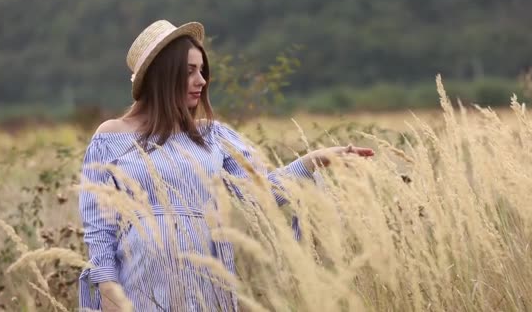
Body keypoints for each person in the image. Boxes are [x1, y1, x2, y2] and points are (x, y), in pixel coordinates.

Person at [78, 19, 374, 311]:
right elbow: (99, 227)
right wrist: (108, 290)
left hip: (205, 284)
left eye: (202, 71)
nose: (202, 81)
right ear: (163, 75)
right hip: (139, 287)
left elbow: (263, 194)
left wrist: (312, 161)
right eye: (190, 71)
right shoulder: (111, 137)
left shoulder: (212, 136)